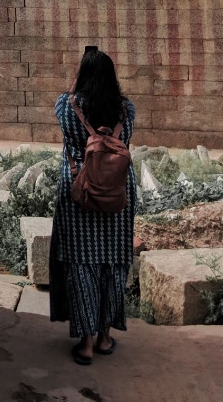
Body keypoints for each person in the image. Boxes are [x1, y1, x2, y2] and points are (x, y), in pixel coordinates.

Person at [49, 48, 136, 365]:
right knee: (113, 264)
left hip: (78, 193)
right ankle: (104, 337)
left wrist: (75, 86)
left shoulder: (67, 105)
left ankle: (85, 343)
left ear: (82, 75)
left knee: (81, 265)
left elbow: (70, 106)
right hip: (118, 195)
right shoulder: (126, 109)